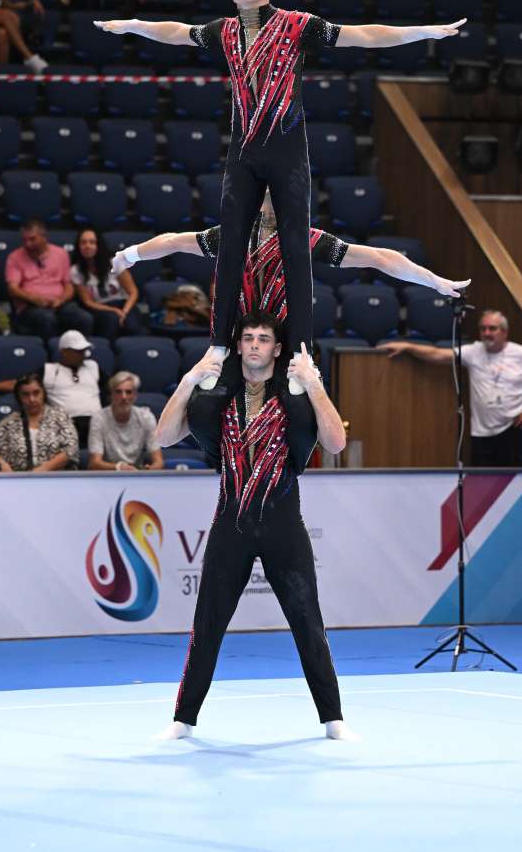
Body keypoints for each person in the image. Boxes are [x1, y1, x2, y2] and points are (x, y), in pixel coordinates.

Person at [97, 0, 464, 384]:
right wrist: (133, 25)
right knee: (231, 246)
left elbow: (363, 35)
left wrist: (423, 32)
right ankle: (218, 344)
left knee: (295, 251)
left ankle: (301, 351)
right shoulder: (225, 31)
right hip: (245, 154)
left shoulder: (296, 26)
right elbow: (176, 32)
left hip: (287, 153)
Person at [154, 312, 354, 741]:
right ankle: (183, 719)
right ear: (238, 346)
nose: (255, 345)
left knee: (308, 624)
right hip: (232, 526)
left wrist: (315, 384)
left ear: (278, 349)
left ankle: (333, 718)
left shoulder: (294, 397)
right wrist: (189, 381)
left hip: (284, 527)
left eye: (264, 338)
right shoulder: (218, 401)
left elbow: (336, 443)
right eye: (248, 338)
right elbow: (163, 437)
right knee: (207, 625)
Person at [113, 189, 470, 326]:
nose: (271, 209)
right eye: (266, 201)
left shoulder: (305, 239)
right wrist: (129, 255)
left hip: (284, 329)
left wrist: (433, 281)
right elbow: (174, 242)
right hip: (239, 328)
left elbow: (379, 257)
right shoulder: (234, 236)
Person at [378, 308, 522, 467]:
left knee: (512, 483)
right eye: (483, 328)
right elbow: (437, 354)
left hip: (513, 429)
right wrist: (408, 346)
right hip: (481, 432)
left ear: (504, 332)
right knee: (483, 485)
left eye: (492, 328)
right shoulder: (473, 352)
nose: (487, 333)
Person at [0, 328, 102, 446]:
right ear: (64, 352)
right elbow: (20, 384)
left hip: (96, 424)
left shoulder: (93, 366)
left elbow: (112, 387)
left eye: (84, 350)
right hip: (67, 425)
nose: (83, 354)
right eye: (78, 351)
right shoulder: (49, 370)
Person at [4, 219, 92, 341]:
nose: (28, 244)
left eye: (32, 239)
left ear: (44, 237)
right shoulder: (15, 257)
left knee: (84, 318)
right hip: (30, 306)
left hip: (59, 304)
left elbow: (68, 286)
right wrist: (33, 298)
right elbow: (12, 289)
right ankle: (49, 351)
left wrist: (61, 300)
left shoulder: (61, 254)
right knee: (47, 318)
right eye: (25, 240)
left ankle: (79, 350)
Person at [0, 371, 78, 473]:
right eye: (25, 395)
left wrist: (44, 469)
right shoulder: (10, 421)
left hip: (56, 477)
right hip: (20, 479)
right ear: (18, 397)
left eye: (36, 393)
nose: (32, 399)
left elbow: (71, 449)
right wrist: (2, 463)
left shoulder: (60, 417)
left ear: (43, 393)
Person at [71, 226, 140, 340]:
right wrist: (113, 310)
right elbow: (88, 302)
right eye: (83, 243)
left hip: (124, 304)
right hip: (99, 307)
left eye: (92, 242)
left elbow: (133, 292)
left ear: (98, 245)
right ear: (79, 247)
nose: (87, 246)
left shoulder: (114, 262)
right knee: (111, 320)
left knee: (132, 324)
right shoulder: (75, 270)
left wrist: (124, 311)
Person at [87, 371, 164, 472]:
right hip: (108, 475)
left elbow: (159, 461)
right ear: (111, 395)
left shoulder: (146, 417)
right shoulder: (99, 418)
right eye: (118, 392)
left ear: (135, 395)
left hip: (137, 474)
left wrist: (150, 470)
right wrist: (119, 467)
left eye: (128, 392)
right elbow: (94, 463)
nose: (124, 397)